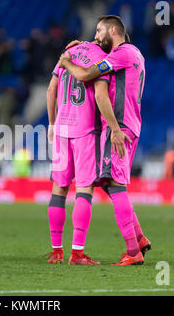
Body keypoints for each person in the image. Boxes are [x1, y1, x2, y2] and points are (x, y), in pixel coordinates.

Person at [59, 15, 151, 266]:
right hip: (127, 125)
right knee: (108, 183)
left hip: (118, 128)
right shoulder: (134, 54)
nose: (96, 35)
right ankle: (140, 238)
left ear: (113, 29)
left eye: (99, 30)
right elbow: (98, 53)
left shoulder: (122, 54)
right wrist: (86, 46)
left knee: (114, 183)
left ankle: (133, 251)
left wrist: (68, 61)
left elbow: (86, 73)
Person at [46, 41, 114, 265]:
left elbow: (51, 89)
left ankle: (56, 251)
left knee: (59, 189)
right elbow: (100, 96)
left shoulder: (68, 52)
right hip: (85, 131)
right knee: (84, 191)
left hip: (61, 129)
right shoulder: (102, 60)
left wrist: (51, 123)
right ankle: (77, 253)